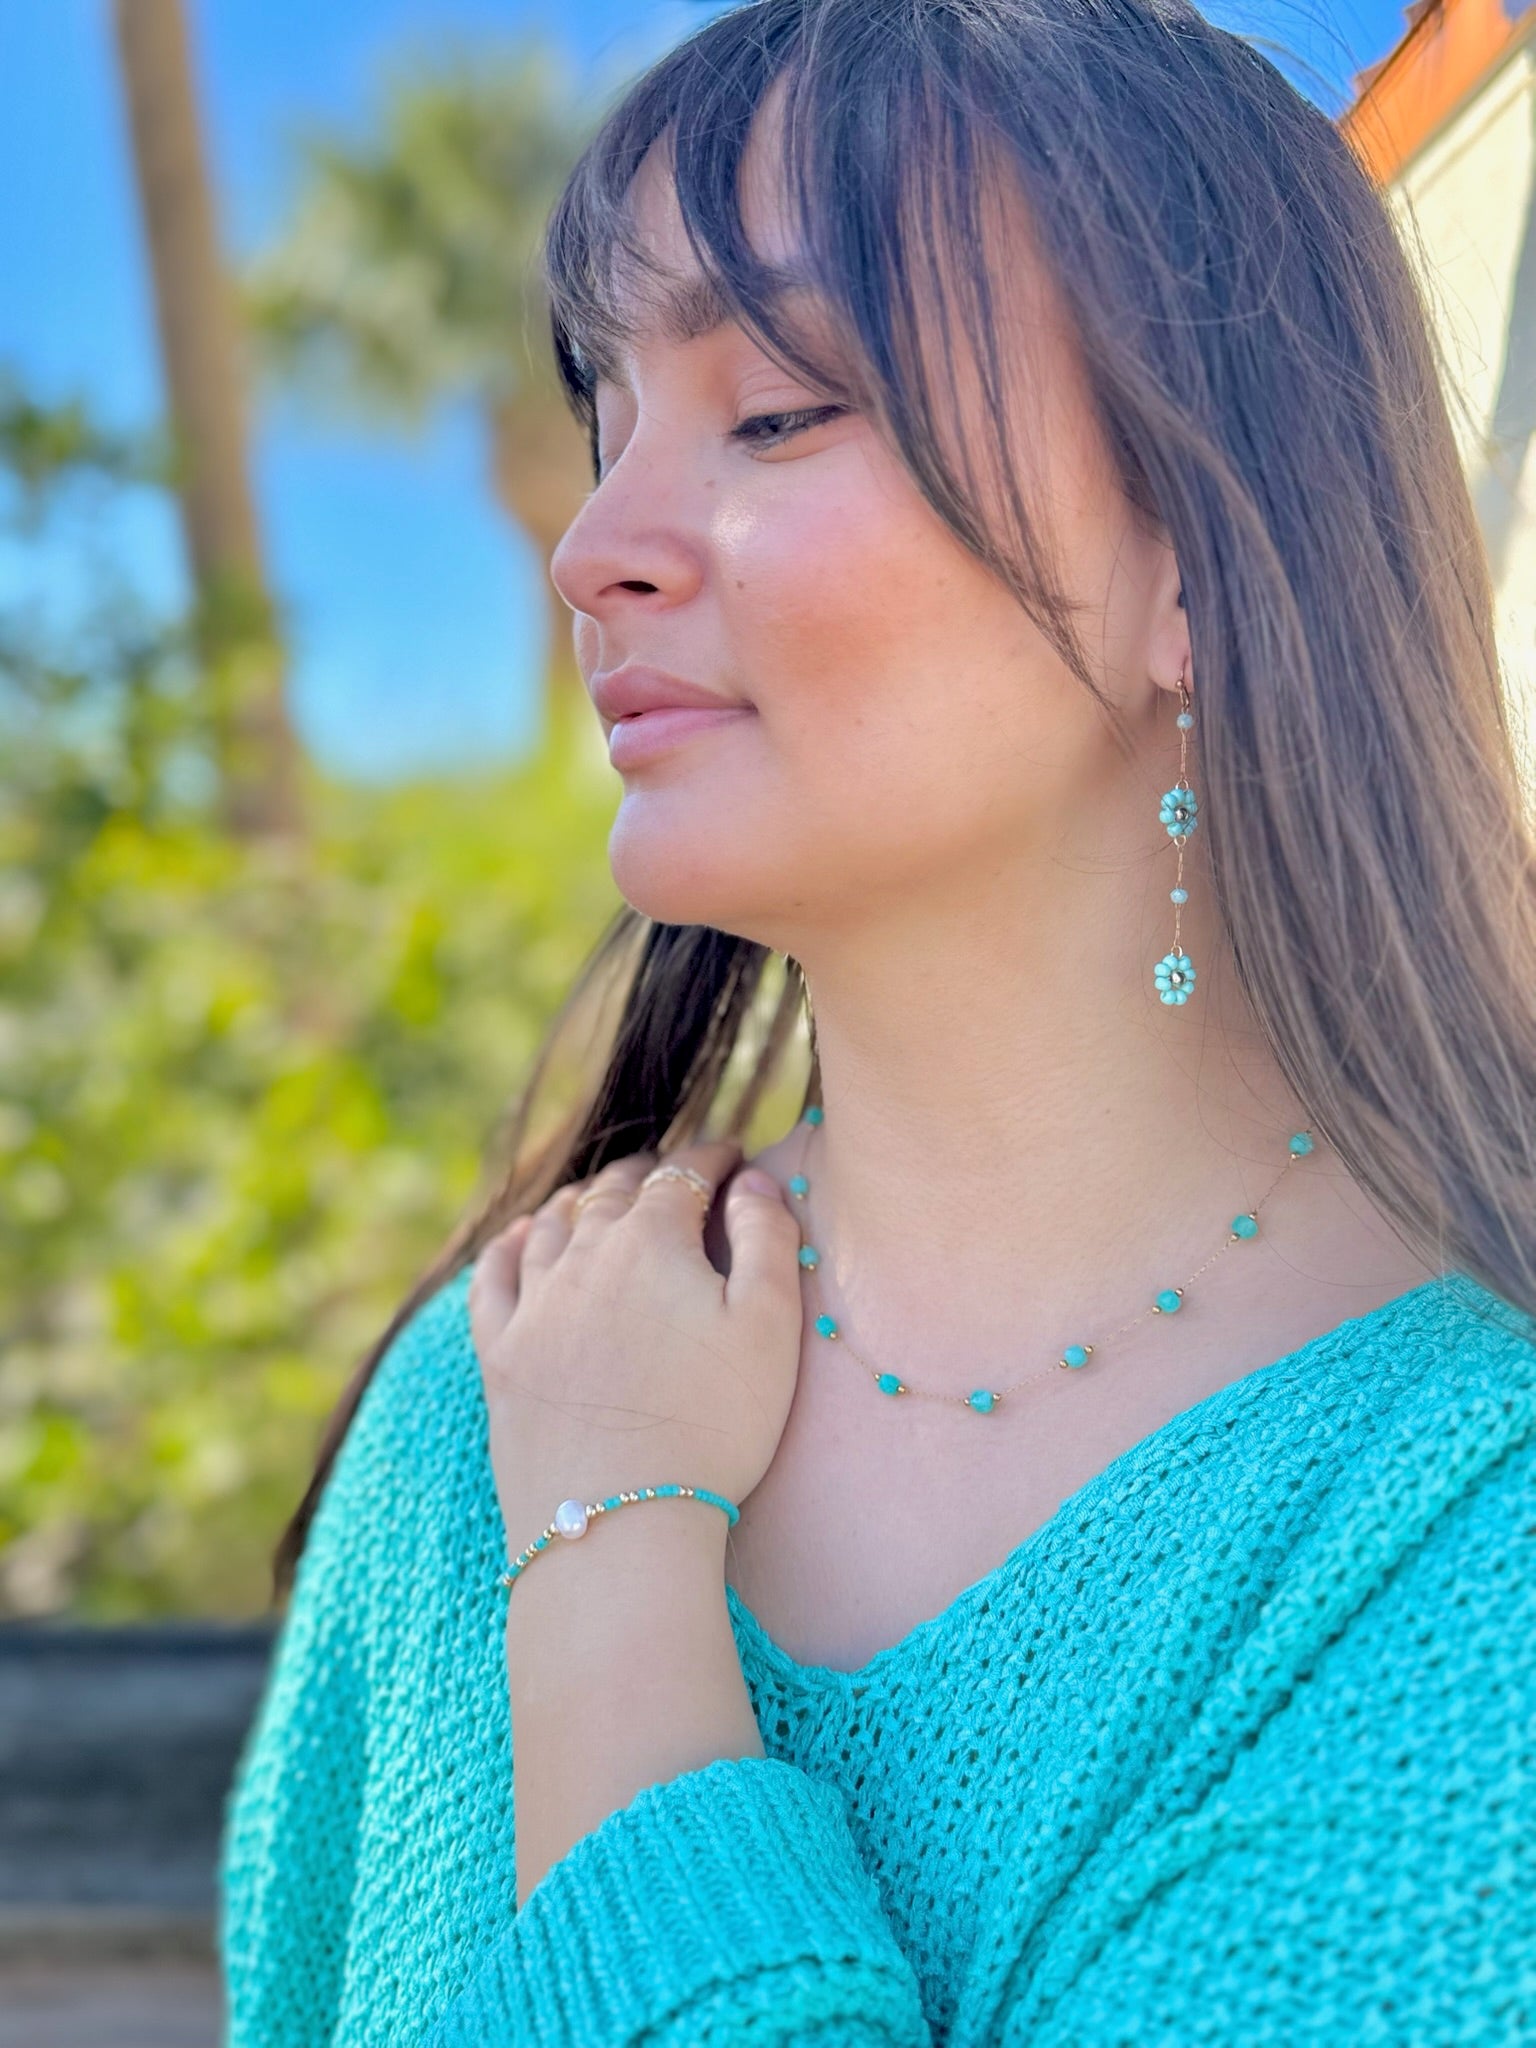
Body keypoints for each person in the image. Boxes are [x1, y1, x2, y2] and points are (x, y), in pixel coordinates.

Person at [218, 0, 1536, 2041]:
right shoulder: (480, 1401)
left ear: (1204, 552)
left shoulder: (1462, 1522)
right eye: (609, 420)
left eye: (779, 412)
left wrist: (616, 1566)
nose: (593, 549)